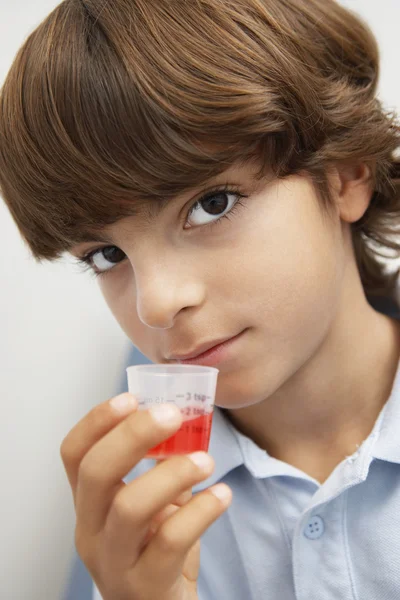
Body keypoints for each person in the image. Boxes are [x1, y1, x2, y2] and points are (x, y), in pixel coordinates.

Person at [1, 0, 400, 598]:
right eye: (106, 256)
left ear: (346, 173)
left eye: (212, 204)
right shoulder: (133, 509)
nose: (156, 305)